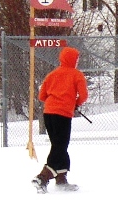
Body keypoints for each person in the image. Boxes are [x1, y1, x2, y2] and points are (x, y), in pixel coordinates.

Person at [32, 47, 88, 193]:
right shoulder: (77, 75)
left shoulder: (52, 74)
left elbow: (42, 96)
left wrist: (55, 98)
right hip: (63, 115)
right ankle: (42, 177)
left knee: (58, 145)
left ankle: (61, 178)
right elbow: (83, 95)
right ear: (74, 60)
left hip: (48, 114)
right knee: (59, 147)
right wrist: (74, 103)